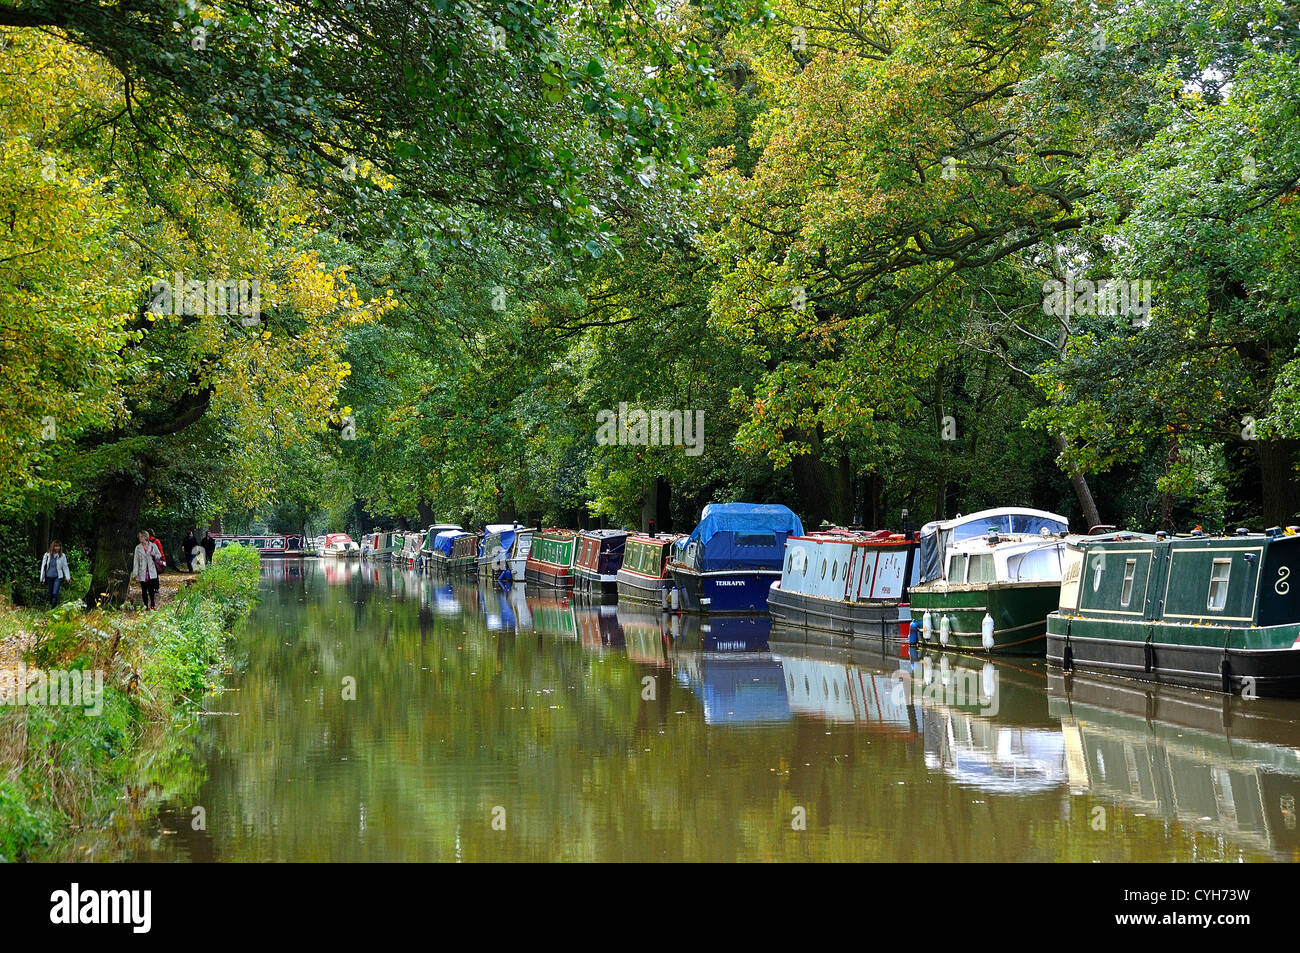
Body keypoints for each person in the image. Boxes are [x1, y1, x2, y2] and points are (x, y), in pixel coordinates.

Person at [132, 530, 162, 610]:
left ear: (146, 537)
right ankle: (145, 605)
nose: (140, 538)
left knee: (151, 589)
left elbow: (159, 555)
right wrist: (135, 573)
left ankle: (152, 604)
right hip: (142, 571)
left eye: (141, 536)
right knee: (144, 590)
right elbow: (136, 561)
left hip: (151, 571)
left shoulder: (153, 545)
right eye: (139, 537)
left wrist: (154, 555)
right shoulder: (138, 548)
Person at [39, 540, 71, 608]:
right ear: (53, 546)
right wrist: (42, 578)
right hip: (49, 577)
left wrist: (68, 578)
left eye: (58, 546)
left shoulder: (62, 556)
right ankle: (52, 605)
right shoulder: (47, 555)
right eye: (56, 546)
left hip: (58, 577)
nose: (57, 548)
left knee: (55, 593)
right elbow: (43, 567)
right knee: (50, 593)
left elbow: (65, 567)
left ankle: (53, 609)